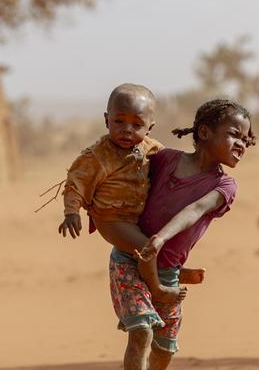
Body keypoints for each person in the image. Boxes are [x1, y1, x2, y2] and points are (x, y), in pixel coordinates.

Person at [108, 98, 256, 370]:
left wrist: (159, 239)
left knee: (165, 346)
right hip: (129, 260)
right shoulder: (163, 160)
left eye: (246, 140)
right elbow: (121, 159)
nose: (242, 145)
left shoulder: (224, 186)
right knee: (141, 330)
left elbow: (194, 210)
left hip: (167, 271)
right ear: (204, 132)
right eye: (234, 135)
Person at [58, 83, 186, 304]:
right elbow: (76, 182)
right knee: (148, 247)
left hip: (137, 216)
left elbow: (173, 163)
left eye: (137, 124)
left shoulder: (151, 148)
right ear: (107, 120)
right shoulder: (98, 156)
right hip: (111, 218)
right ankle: (158, 289)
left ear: (150, 127)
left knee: (162, 239)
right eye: (119, 121)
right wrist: (72, 213)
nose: (127, 129)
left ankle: (170, 270)